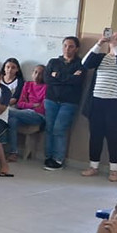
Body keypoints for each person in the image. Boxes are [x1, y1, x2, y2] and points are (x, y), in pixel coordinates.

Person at [81, 31, 117, 182]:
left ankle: (114, 170)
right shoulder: (100, 58)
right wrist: (99, 43)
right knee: (95, 135)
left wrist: (116, 48)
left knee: (114, 137)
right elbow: (85, 63)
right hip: (97, 102)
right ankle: (93, 166)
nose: (115, 39)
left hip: (115, 105)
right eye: (113, 37)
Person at [44, 36, 85, 171]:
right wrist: (69, 78)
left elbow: (77, 81)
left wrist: (58, 77)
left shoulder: (80, 64)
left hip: (68, 102)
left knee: (59, 129)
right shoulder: (54, 62)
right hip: (51, 100)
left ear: (76, 48)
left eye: (71, 46)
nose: (68, 49)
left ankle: (58, 159)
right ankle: (48, 156)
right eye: (65, 46)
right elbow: (48, 79)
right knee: (49, 128)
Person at [6, 65, 47, 162]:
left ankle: (0, 111)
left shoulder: (47, 87)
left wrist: (28, 105)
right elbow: (20, 103)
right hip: (22, 112)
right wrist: (33, 105)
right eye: (35, 72)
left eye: (41, 73)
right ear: (32, 73)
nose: (37, 75)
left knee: (6, 111)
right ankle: (14, 152)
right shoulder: (28, 84)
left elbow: (41, 108)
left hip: (38, 116)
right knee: (12, 120)